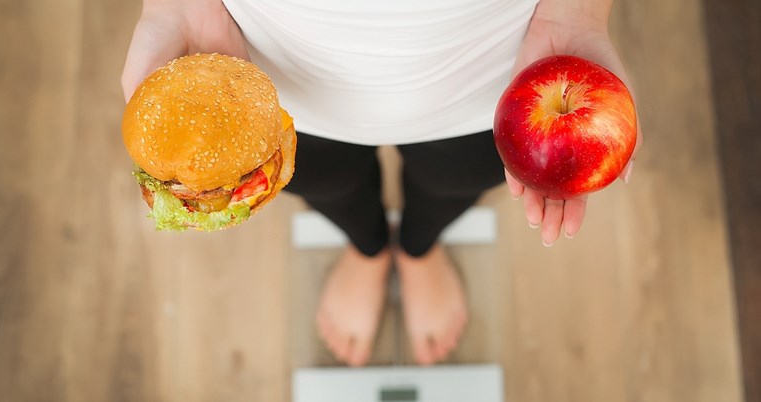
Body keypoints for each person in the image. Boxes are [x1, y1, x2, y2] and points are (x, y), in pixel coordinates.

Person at [122, 0, 640, 367]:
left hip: (502, 79)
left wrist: (579, 10)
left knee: (453, 180)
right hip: (271, 75)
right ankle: (368, 249)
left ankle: (419, 249)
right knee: (326, 186)